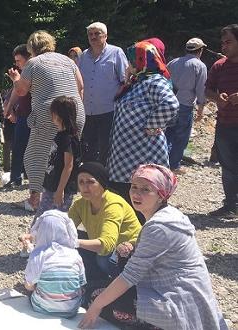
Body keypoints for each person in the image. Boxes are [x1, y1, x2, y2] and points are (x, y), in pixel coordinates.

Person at [79, 164, 228, 330]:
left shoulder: (160, 225)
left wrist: (97, 306)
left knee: (93, 296)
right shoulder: (168, 215)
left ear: (161, 195)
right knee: (116, 265)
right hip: (184, 294)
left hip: (176, 303)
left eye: (145, 189)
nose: (136, 193)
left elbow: (131, 275)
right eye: (134, 187)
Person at [7, 30, 86, 211]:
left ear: (31, 48)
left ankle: (35, 200)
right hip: (75, 112)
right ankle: (64, 196)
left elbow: (21, 91)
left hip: (51, 114)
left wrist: (16, 78)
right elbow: (80, 87)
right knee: (67, 155)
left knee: (35, 155)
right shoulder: (68, 61)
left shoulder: (34, 63)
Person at [106, 40, 178, 208]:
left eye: (131, 60)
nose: (128, 64)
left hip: (144, 150)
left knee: (144, 194)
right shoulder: (136, 82)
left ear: (142, 61)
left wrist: (152, 125)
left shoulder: (154, 81)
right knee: (124, 195)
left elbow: (170, 104)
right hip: (124, 154)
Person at [68, 162, 142, 281]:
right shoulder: (81, 204)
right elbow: (63, 227)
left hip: (131, 250)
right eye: (81, 182)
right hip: (108, 245)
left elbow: (107, 245)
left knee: (102, 258)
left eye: (90, 182)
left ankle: (121, 283)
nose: (85, 187)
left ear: (102, 183)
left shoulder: (113, 205)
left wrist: (73, 242)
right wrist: (34, 236)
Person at [78, 22, 129, 164]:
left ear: (105, 36)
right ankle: (90, 177)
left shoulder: (116, 52)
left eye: (97, 34)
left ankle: (104, 179)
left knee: (107, 148)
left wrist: (118, 100)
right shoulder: (82, 56)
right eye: (90, 34)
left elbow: (125, 81)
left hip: (109, 110)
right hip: (87, 111)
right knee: (88, 147)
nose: (93, 37)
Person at [20, 210, 86, 318]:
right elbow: (82, 283)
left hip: (41, 308)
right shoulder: (75, 254)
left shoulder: (38, 255)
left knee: (31, 286)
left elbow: (29, 286)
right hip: (71, 309)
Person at [206, 24, 238, 219]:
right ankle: (230, 205)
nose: (224, 46)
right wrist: (218, 98)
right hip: (225, 124)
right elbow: (207, 90)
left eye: (229, 42)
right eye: (222, 42)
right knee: (228, 167)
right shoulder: (219, 66)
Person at [165, 37, 208, 175]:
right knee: (181, 136)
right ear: (200, 50)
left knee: (167, 134)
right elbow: (201, 89)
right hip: (185, 105)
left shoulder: (173, 62)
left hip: (168, 104)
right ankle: (174, 165)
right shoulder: (200, 66)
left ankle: (162, 162)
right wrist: (201, 109)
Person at [33, 96, 80, 218]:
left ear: (58, 115)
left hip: (60, 188)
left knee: (50, 218)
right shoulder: (61, 135)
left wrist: (60, 191)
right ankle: (36, 235)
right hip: (52, 184)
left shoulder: (67, 138)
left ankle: (35, 236)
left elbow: (68, 165)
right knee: (44, 216)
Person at [3, 44, 32, 187]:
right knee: (18, 147)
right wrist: (8, 109)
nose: (16, 64)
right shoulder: (21, 73)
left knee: (33, 149)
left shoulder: (32, 70)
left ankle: (34, 180)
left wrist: (15, 79)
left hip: (35, 116)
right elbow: (15, 92)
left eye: (18, 60)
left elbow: (22, 91)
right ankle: (16, 178)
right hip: (22, 115)